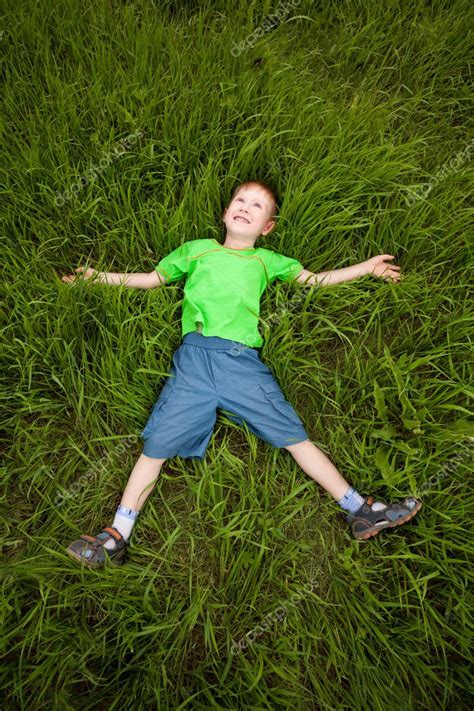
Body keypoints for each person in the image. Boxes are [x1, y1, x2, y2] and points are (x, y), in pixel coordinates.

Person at [61, 180, 421, 567]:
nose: (246, 207)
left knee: (293, 436)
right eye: (240, 200)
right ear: (225, 212)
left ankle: (359, 509)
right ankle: (116, 536)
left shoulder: (267, 261)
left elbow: (313, 280)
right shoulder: (197, 250)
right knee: (156, 445)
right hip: (194, 361)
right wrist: (97, 276)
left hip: (242, 363)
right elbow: (151, 279)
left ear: (267, 227)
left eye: (257, 206)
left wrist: (367, 268)